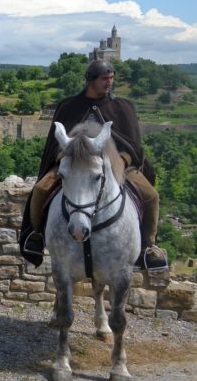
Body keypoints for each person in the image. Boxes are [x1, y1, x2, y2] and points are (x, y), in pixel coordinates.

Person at [19, 58, 167, 270]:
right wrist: (67, 158)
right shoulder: (70, 106)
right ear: (90, 80)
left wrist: (122, 161)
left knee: (151, 195)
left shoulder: (122, 107)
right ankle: (36, 236)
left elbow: (132, 144)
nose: (110, 83)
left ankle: (149, 247)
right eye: (104, 79)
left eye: (111, 78)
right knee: (40, 189)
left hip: (116, 164)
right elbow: (56, 144)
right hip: (74, 163)